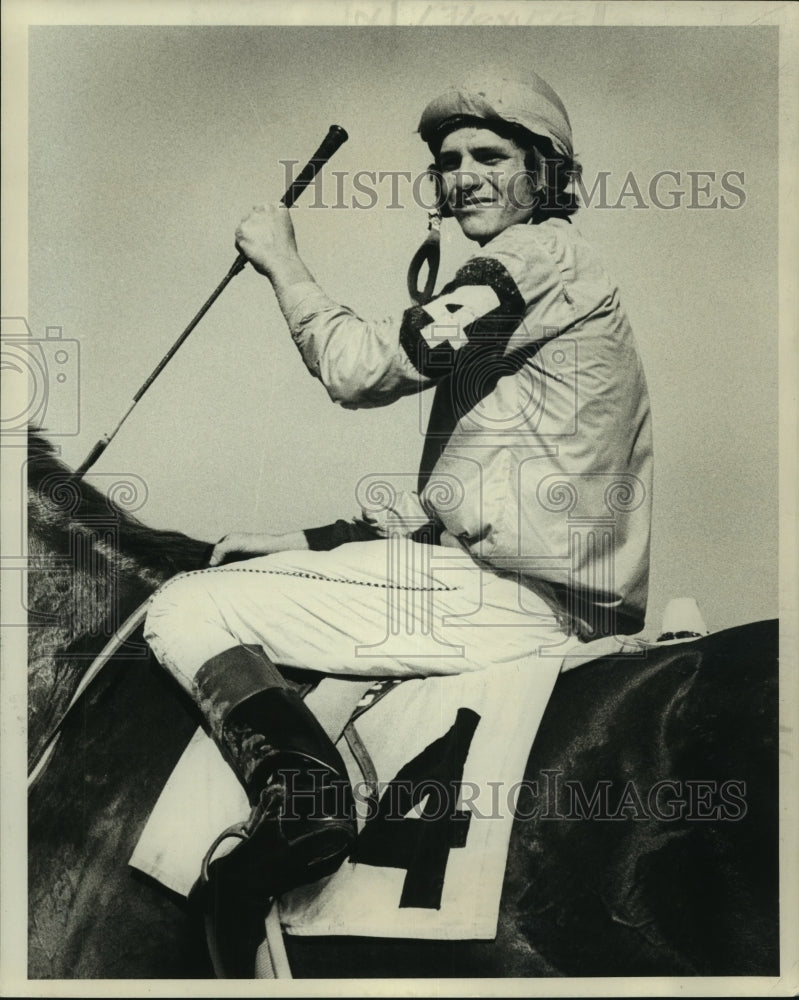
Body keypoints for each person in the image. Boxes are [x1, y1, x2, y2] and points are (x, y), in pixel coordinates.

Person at [144, 71, 652, 942]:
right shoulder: (536, 283)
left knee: (184, 603)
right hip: (517, 591)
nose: (463, 176)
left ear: (545, 173)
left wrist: (283, 259)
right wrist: (294, 539)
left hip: (509, 604)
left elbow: (357, 370)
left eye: (490, 155)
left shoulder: (534, 263)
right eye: (448, 162)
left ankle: (302, 802)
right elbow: (462, 500)